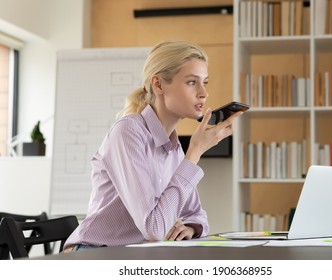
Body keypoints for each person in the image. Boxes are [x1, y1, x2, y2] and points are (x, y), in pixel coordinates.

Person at [63, 40, 243, 252]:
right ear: (158, 85)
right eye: (192, 82)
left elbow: (196, 214)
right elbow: (154, 228)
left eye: (205, 82)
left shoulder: (173, 147)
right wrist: (195, 152)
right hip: (95, 254)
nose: (204, 93)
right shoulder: (128, 133)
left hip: (135, 254)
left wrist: (190, 228)